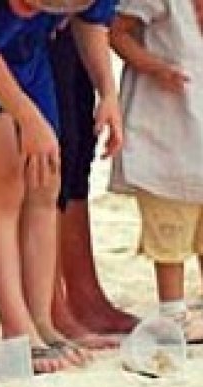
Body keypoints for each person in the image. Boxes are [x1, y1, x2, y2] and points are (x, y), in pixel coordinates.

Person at [0, 0, 122, 373]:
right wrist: (27, 117)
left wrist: (108, 92)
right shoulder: (7, 9)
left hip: (33, 62)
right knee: (5, 186)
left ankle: (42, 322)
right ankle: (18, 332)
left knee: (45, 185)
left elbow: (90, 23)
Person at [110, 0, 203, 337]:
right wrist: (153, 67)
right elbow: (116, 32)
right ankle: (173, 311)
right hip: (166, 125)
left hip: (198, 129)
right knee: (169, 225)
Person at [48, 26, 137, 348]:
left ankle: (84, 293)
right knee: (56, 150)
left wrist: (108, 91)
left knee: (79, 143)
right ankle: (53, 306)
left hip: (73, 27)